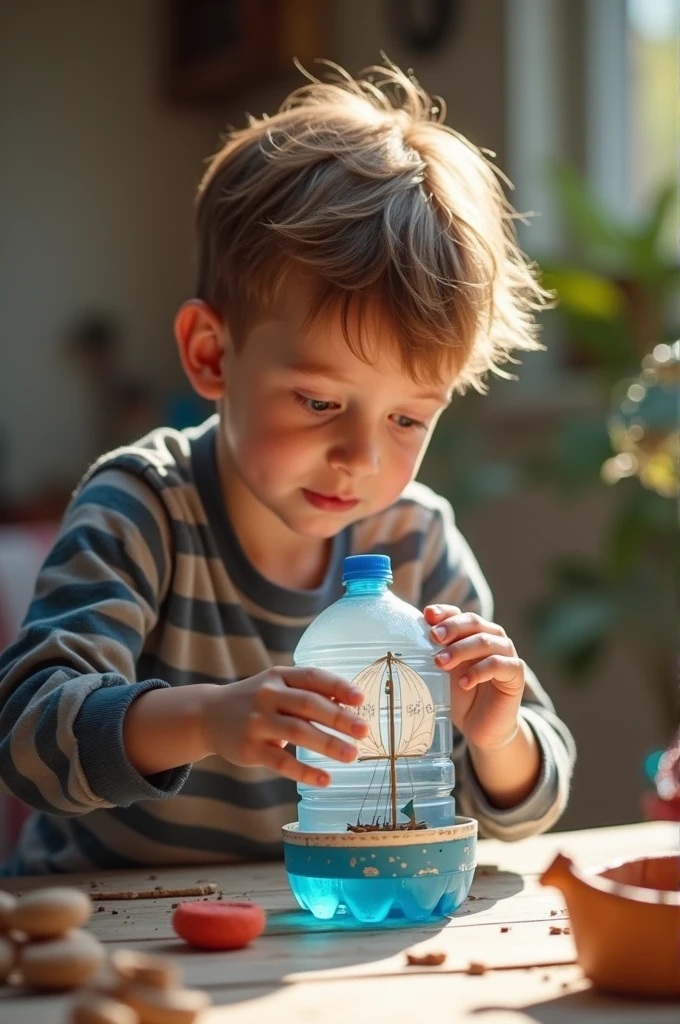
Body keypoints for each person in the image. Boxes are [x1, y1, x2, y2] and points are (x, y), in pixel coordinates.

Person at [0, 61, 575, 874]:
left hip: (309, 931)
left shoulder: (414, 540)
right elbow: (28, 736)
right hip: (107, 925)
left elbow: (528, 807)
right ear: (212, 355)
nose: (362, 457)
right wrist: (208, 718)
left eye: (409, 417)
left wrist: (495, 736)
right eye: (317, 402)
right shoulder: (144, 507)